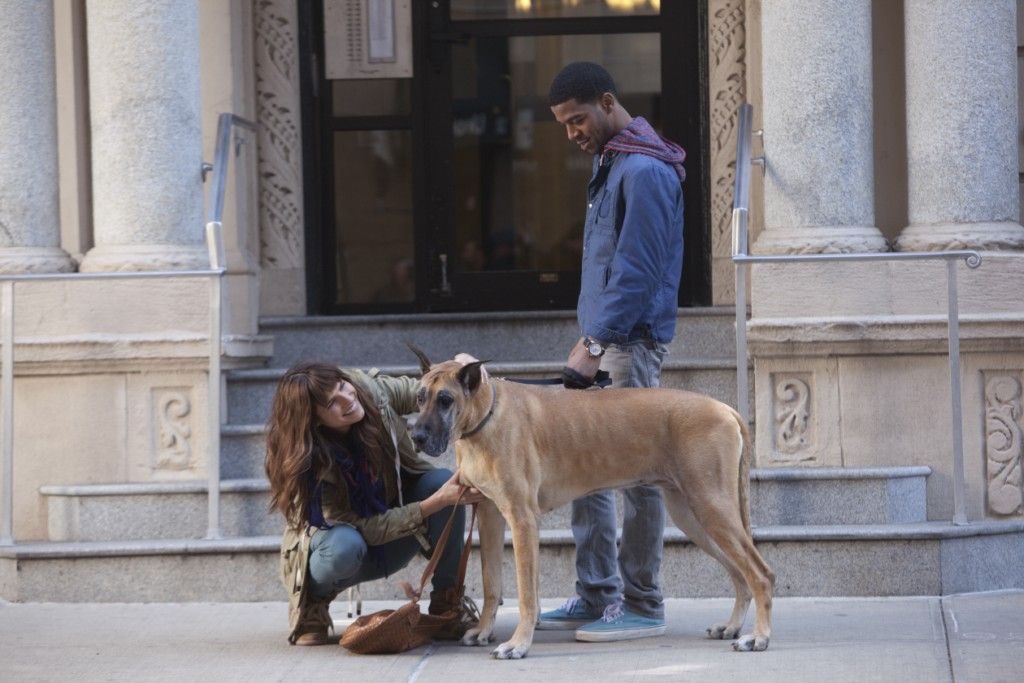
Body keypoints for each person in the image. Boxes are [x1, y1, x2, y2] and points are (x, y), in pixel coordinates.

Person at [539, 62, 686, 642]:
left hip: (628, 344)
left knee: (639, 473)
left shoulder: (644, 170)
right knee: (587, 466)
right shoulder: (613, 162)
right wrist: (590, 338)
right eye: (563, 124)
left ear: (606, 102)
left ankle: (643, 604)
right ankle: (596, 594)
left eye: (577, 119)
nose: (571, 132)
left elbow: (638, 271)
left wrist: (595, 342)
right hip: (603, 341)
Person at [265, 361, 486, 645]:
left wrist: (463, 375)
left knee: (441, 482)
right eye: (332, 402)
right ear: (314, 419)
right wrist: (433, 504)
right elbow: (366, 529)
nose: (348, 398)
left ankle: (447, 604)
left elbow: (426, 390)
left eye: (342, 386)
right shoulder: (311, 463)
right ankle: (313, 602)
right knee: (345, 545)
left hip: (394, 528)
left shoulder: (370, 391)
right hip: (344, 549)